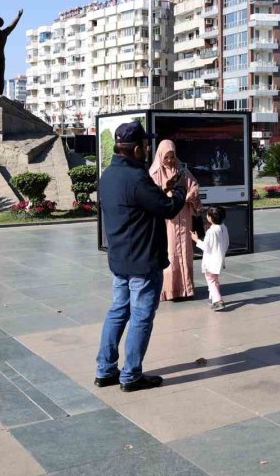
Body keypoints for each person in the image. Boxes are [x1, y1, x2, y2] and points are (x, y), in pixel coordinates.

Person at [94, 121, 186, 392]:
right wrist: (179, 190)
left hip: (120, 259)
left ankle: (105, 370)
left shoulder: (108, 175)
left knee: (117, 312)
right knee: (141, 316)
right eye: (146, 146)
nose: (148, 149)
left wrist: (164, 189)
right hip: (143, 261)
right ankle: (131, 375)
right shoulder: (136, 178)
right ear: (136, 150)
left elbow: (141, 205)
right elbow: (167, 209)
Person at [150, 140, 202, 301]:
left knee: (185, 251)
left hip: (184, 218)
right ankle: (170, 290)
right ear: (160, 157)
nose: (170, 160)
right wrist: (167, 195)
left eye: (172, 156)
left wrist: (191, 194)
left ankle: (186, 288)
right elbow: (152, 196)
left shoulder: (182, 172)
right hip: (168, 221)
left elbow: (194, 185)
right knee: (170, 252)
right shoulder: (155, 174)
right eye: (167, 157)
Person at [192, 206, 230, 311]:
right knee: (214, 280)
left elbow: (206, 247)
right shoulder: (223, 228)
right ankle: (212, 298)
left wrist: (196, 240)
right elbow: (226, 243)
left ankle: (218, 300)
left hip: (211, 261)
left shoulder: (210, 232)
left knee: (211, 280)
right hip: (219, 259)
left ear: (210, 218)